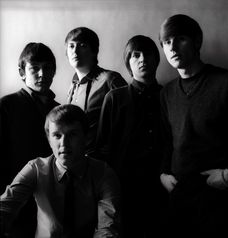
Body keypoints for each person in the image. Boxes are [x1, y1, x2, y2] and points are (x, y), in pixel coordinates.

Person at [159, 14, 228, 236]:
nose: (172, 47)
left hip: (219, 197)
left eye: (180, 38)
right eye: (166, 42)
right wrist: (163, 173)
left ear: (197, 41)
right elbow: (165, 140)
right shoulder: (167, 92)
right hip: (179, 196)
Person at [0, 104, 121, 238]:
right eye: (57, 135)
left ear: (86, 137)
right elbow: (5, 207)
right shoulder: (35, 169)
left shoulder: (103, 173)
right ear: (49, 140)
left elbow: (108, 227)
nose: (64, 143)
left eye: (72, 134)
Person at [95, 35, 167, 238]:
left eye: (148, 54)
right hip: (123, 186)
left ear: (156, 59)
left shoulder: (168, 95)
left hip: (161, 184)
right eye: (136, 55)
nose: (143, 59)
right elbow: (103, 146)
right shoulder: (114, 98)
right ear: (128, 61)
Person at [0, 42, 59, 237]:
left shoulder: (59, 110)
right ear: (22, 72)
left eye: (48, 68)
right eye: (35, 68)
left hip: (51, 199)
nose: (42, 74)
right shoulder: (6, 105)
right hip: (15, 197)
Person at [65, 27, 127, 154]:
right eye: (71, 46)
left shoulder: (110, 79)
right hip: (79, 161)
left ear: (94, 51)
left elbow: (129, 122)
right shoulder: (72, 86)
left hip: (105, 163)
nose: (75, 51)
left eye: (82, 45)